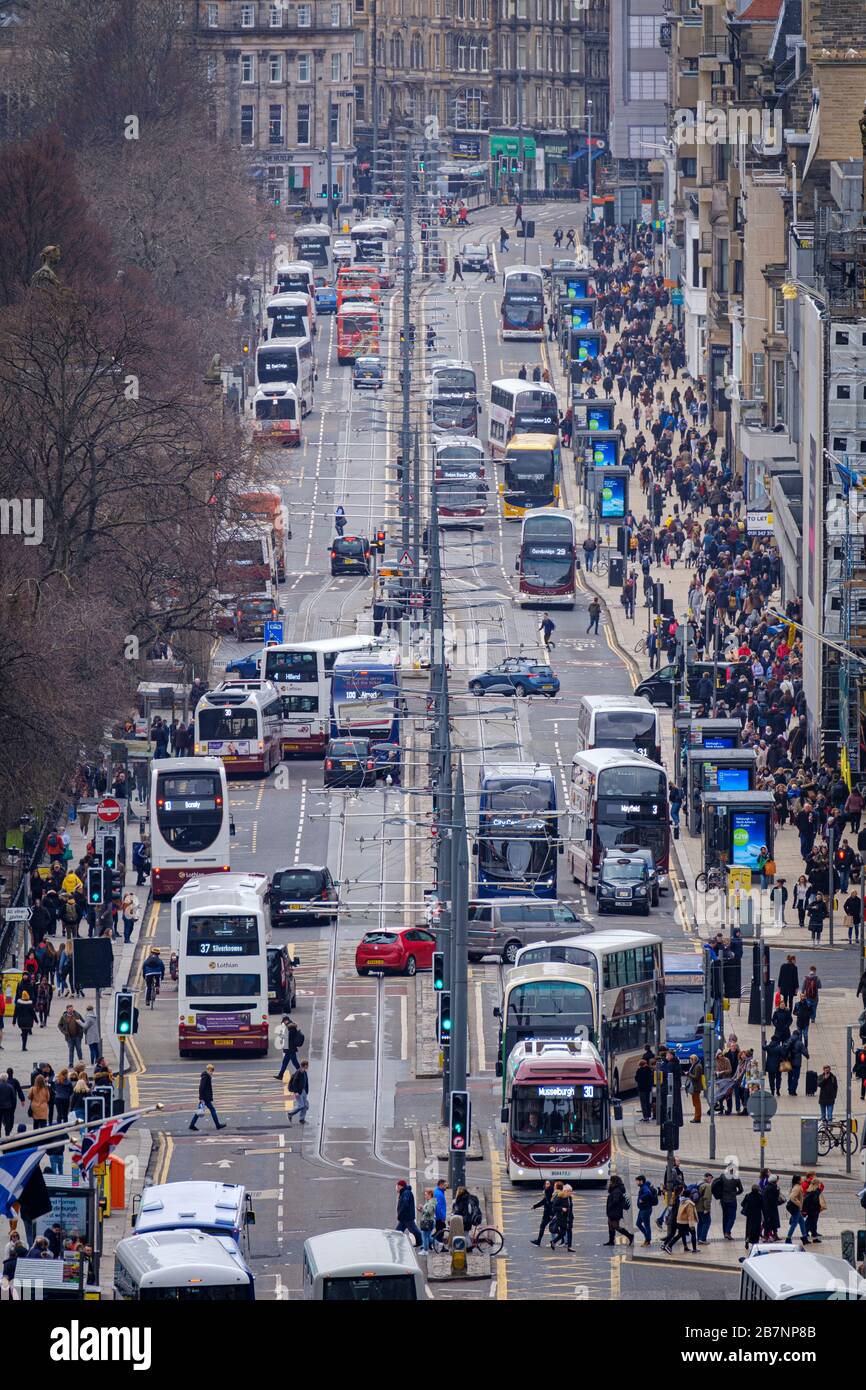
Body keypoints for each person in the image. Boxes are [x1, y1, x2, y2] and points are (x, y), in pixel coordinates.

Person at [189, 1064, 226, 1131]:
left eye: (212, 1071)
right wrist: (201, 1098)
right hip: (205, 1098)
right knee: (212, 1110)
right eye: (211, 1071)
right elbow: (201, 1088)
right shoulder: (205, 1077)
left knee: (199, 1111)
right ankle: (217, 1125)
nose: (212, 1073)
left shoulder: (206, 1076)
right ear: (208, 1070)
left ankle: (192, 1125)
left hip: (204, 1097)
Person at [663, 1186, 697, 1254]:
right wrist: (692, 1224)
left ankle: (669, 1246)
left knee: (680, 1234)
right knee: (692, 1233)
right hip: (685, 1222)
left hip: (679, 1220)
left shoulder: (681, 1200)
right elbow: (690, 1215)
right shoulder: (688, 1203)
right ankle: (694, 1249)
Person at [602, 1175, 633, 1246]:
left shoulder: (617, 1190)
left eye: (611, 1181)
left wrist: (610, 1206)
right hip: (613, 1211)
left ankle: (630, 1236)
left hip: (615, 1212)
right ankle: (611, 1241)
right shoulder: (616, 1189)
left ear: (614, 1182)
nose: (610, 1182)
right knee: (610, 1225)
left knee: (616, 1226)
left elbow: (616, 1201)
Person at [714, 1165, 744, 1240]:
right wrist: (735, 1193)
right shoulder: (736, 1178)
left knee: (725, 1217)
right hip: (732, 1200)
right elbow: (741, 1190)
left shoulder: (723, 1176)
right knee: (732, 1217)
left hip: (723, 1200)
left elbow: (717, 1185)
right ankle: (727, 1232)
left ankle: (725, 1233)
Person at [395, 1180, 423, 1248]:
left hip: (407, 1217)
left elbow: (405, 1205)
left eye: (397, 1186)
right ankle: (396, 1243)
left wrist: (400, 1214)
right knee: (397, 1232)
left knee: (414, 1231)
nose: (396, 1188)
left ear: (400, 1186)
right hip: (404, 1218)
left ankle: (422, 1242)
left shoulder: (406, 1193)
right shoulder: (403, 1192)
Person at [785, 1174, 808, 1243]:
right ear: (798, 1181)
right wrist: (799, 1204)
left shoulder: (795, 1186)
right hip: (795, 1208)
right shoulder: (797, 1188)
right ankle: (788, 1239)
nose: (802, 1180)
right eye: (801, 1179)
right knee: (794, 1223)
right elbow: (792, 1197)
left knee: (802, 1222)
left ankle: (804, 1237)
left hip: (796, 1207)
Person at [530, 1180, 554, 1246]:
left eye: (548, 1184)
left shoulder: (550, 1192)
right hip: (547, 1213)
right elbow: (544, 1201)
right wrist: (535, 1206)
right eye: (546, 1184)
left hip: (549, 1213)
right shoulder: (547, 1191)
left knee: (545, 1227)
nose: (547, 1185)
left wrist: (551, 1214)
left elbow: (550, 1204)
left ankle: (539, 1241)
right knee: (553, 1227)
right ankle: (538, 1241)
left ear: (551, 1185)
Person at [802, 1175, 824, 1243]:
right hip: (813, 1211)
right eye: (818, 1184)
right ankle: (804, 1237)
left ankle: (814, 1237)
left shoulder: (810, 1191)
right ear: (817, 1184)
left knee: (813, 1224)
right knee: (810, 1224)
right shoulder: (814, 1193)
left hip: (812, 1211)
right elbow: (813, 1202)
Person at [740, 1184, 764, 1249]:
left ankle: (747, 1240)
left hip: (749, 1215)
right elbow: (763, 1207)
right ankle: (755, 1242)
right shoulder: (760, 1197)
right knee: (756, 1229)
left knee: (749, 1228)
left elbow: (742, 1204)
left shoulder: (748, 1196)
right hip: (757, 1215)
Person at [635, 1174, 656, 1246]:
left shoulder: (644, 1187)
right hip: (642, 1209)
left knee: (647, 1225)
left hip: (645, 1210)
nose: (636, 1182)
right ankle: (647, 1237)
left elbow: (648, 1194)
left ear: (641, 1181)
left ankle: (648, 1241)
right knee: (638, 1223)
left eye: (637, 1181)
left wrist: (641, 1198)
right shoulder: (643, 1187)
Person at [287, 1059, 310, 1125]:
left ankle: (301, 1119)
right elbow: (294, 1083)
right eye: (307, 1065)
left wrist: (306, 1090)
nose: (308, 1066)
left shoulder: (304, 1072)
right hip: (298, 1092)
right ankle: (290, 1113)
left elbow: (306, 1082)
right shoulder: (298, 1072)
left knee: (305, 1105)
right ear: (305, 1065)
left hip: (304, 1091)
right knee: (301, 1105)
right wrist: (296, 1092)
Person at [696, 1173, 714, 1245]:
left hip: (697, 1207)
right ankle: (702, 1239)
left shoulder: (699, 1183)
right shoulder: (707, 1186)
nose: (711, 1180)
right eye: (710, 1178)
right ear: (708, 1177)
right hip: (703, 1208)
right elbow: (707, 1198)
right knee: (707, 1222)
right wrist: (707, 1209)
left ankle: (699, 1238)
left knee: (700, 1222)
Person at [686, 1054, 704, 1123]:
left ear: (693, 1060)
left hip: (696, 1087)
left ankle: (697, 1118)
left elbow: (696, 1077)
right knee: (695, 1102)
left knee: (697, 1103)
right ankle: (696, 1117)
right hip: (695, 1086)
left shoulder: (697, 1066)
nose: (690, 1061)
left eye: (691, 1059)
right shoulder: (695, 1065)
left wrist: (688, 1074)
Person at [634, 1056, 654, 1121]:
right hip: (648, 1088)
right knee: (648, 1102)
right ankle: (648, 1115)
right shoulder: (649, 1070)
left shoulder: (639, 1070)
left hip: (642, 1089)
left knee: (643, 1103)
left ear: (640, 1065)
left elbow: (636, 1078)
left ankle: (645, 1116)